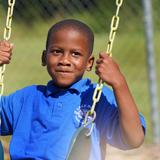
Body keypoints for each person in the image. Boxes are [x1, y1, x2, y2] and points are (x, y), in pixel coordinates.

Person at [0, 19, 146, 160]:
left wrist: (119, 83)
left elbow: (134, 139)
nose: (64, 60)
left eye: (75, 54)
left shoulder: (96, 98)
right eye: (57, 51)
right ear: (44, 57)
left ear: (89, 63)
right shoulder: (27, 97)